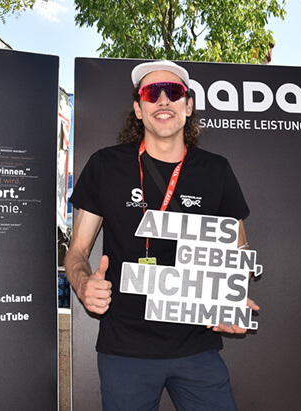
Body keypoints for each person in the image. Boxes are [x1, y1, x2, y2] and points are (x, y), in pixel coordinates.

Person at [65, 60, 258, 411]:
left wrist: (232, 295)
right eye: (152, 93)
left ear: (188, 105)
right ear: (139, 109)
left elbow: (238, 251)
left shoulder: (216, 170)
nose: (164, 101)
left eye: (174, 92)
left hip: (197, 347)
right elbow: (77, 250)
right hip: (125, 350)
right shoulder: (105, 166)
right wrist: (82, 284)